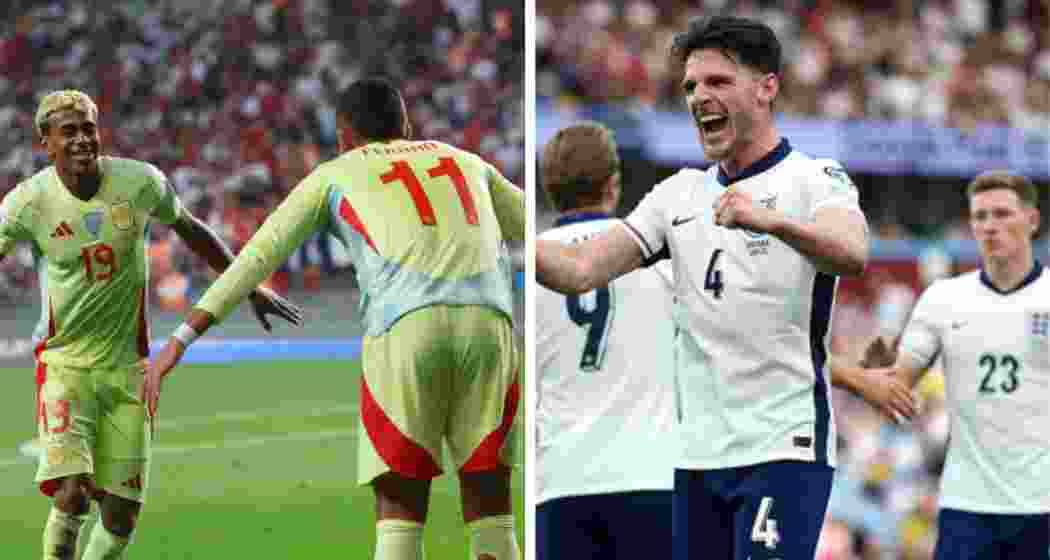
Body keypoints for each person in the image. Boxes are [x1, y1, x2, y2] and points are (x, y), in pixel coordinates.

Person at [143, 78, 524, 560]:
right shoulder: (466, 161)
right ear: (405, 124)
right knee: (490, 502)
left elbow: (256, 256)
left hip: (404, 331)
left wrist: (180, 339)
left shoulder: (335, 173)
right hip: (491, 329)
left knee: (401, 508)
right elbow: (530, 225)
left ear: (343, 133)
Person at [535, 16, 872, 560]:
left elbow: (852, 251)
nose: (698, 97)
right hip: (696, 459)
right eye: (691, 86)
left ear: (767, 87)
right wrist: (502, 233)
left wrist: (774, 223)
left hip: (782, 446)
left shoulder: (814, 178)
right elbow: (580, 271)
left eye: (717, 82)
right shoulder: (677, 196)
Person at [0, 90, 301, 560]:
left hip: (129, 371)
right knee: (73, 493)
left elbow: (192, 228)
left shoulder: (139, 183)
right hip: (64, 366)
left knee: (121, 516)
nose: (82, 139)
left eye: (88, 128)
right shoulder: (28, 203)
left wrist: (250, 285)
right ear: (46, 143)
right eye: (69, 131)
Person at [834, 171, 1050, 560]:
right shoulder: (943, 300)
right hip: (967, 506)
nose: (990, 226)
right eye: (980, 216)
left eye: (1002, 214)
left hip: (1041, 505)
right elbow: (898, 389)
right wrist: (880, 373)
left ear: (1031, 221)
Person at [535, 122, 678, 559]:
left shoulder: (532, 264)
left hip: (561, 482)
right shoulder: (661, 260)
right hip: (651, 478)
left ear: (549, 188)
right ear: (613, 185)